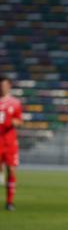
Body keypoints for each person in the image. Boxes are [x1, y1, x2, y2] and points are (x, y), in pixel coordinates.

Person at [0, 76, 23, 211]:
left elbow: (20, 120)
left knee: (12, 169)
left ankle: (9, 202)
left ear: (9, 86)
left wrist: (16, 122)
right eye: (1, 85)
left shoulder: (15, 103)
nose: (2, 88)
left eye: (4, 85)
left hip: (9, 141)